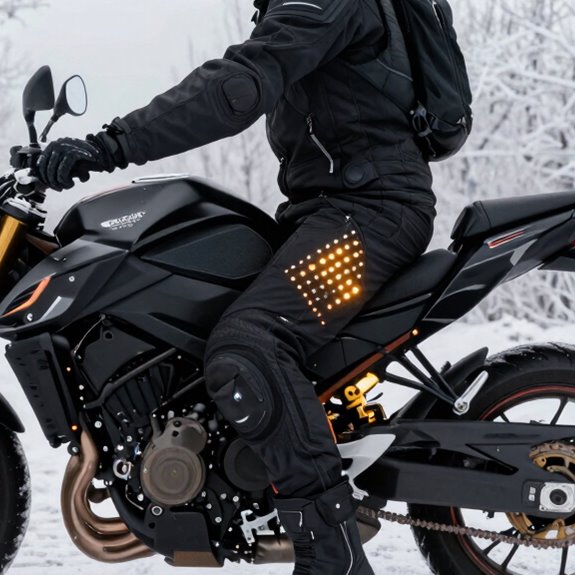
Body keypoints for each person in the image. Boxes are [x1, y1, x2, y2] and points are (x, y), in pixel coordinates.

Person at [35, 1, 436, 573]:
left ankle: (332, 556)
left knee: (250, 344)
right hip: (334, 210)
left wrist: (110, 145)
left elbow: (236, 87)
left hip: (368, 216)